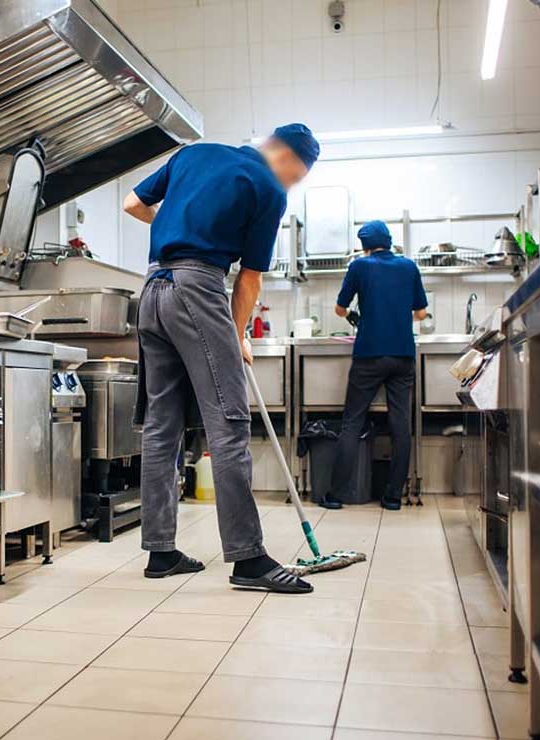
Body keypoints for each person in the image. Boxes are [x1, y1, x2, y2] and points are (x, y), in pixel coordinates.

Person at [124, 124, 319, 594]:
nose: (293, 183)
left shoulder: (194, 154)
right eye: (300, 175)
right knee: (228, 421)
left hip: (151, 290)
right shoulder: (269, 188)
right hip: (198, 288)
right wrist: (236, 336)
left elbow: (132, 203)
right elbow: (248, 280)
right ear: (291, 160)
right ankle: (248, 559)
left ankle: (161, 551)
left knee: (161, 427)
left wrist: (178, 225)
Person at [330, 220, 428, 511]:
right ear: (388, 240)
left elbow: (340, 308)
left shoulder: (359, 267)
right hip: (402, 355)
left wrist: (356, 315)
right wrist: (396, 317)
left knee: (352, 422)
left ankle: (336, 495)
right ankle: (393, 497)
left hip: (369, 354)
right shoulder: (409, 266)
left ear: (364, 245)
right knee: (400, 425)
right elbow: (421, 313)